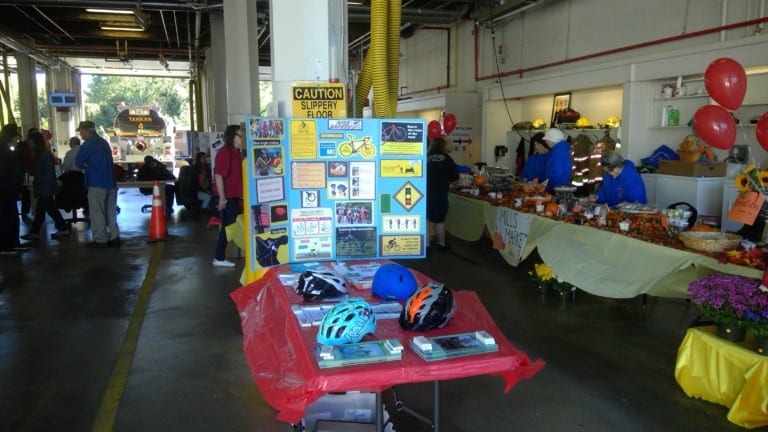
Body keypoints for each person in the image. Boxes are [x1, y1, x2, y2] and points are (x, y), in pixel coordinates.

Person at [75, 120, 119, 248]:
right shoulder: (104, 142)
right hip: (111, 182)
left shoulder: (88, 144)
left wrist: (86, 165)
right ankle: (115, 237)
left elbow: (78, 163)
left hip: (96, 183)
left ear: (86, 131)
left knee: (97, 212)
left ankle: (101, 240)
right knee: (111, 212)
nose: (80, 135)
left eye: (81, 132)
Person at [20, 131, 71, 241]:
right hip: (46, 187)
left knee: (41, 211)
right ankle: (62, 228)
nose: (29, 144)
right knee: (49, 209)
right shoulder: (43, 154)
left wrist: (37, 179)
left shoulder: (43, 154)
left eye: (30, 142)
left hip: (45, 187)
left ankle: (35, 232)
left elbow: (45, 172)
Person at [212, 125, 244, 267]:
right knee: (229, 225)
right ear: (232, 136)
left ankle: (219, 257)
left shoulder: (236, 153)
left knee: (229, 225)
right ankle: (219, 257)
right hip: (227, 197)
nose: (242, 139)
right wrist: (222, 198)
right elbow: (219, 175)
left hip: (233, 196)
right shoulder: (225, 152)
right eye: (239, 136)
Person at [426, 136, 458, 252]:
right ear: (444, 146)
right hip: (440, 195)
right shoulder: (447, 158)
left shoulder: (426, 157)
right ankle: (442, 244)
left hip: (424, 194)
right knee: (439, 221)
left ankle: (426, 246)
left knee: (426, 220)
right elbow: (455, 177)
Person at [0, 123, 26, 254]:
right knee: (7, 218)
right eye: (17, 136)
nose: (18, 139)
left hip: (9, 190)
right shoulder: (4, 152)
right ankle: (5, 245)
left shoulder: (6, 150)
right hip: (6, 191)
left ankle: (13, 242)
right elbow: (7, 172)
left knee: (13, 217)